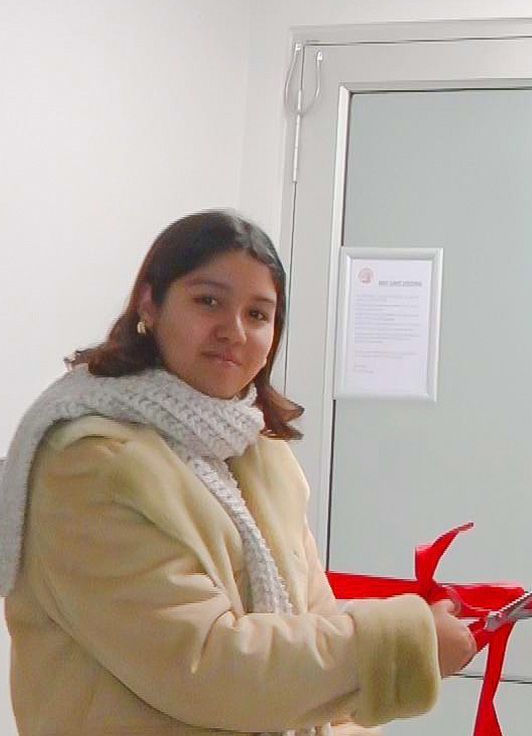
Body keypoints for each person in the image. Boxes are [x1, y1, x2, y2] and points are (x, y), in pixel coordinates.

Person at [0, 210, 476, 735]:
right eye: (208, 302)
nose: (234, 331)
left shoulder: (260, 455)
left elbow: (313, 628)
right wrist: (404, 645)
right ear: (150, 305)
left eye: (258, 314)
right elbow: (205, 667)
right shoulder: (90, 466)